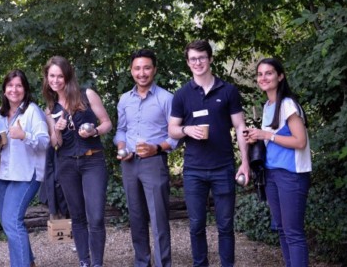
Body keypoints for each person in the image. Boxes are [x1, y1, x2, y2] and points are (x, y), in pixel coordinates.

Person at [168, 40, 250, 267]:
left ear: (210, 59)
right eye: (193, 59)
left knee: (225, 225)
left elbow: (241, 128)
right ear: (187, 63)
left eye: (202, 57)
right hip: (194, 170)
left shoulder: (228, 90)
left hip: (223, 167)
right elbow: (172, 130)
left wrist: (245, 162)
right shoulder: (182, 94)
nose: (198, 62)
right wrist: (186, 129)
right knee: (196, 225)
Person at [42, 56, 112, 267]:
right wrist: (57, 129)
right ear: (47, 78)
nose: (55, 80)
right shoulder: (50, 109)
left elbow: (107, 123)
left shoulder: (87, 95)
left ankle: (97, 263)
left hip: (93, 161)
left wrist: (94, 131)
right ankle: (84, 261)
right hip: (67, 165)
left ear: (67, 76)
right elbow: (55, 143)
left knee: (96, 217)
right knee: (77, 216)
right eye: (51, 76)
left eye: (59, 76)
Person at [114, 49, 178, 267]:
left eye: (147, 67)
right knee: (136, 217)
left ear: (154, 70)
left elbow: (175, 136)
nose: (142, 73)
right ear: (131, 71)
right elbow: (121, 130)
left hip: (154, 163)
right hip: (129, 164)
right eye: (137, 68)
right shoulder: (124, 100)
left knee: (159, 219)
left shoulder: (167, 98)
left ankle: (163, 264)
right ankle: (142, 262)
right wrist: (122, 147)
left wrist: (156, 149)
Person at [244, 58, 311, 267]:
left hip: (291, 175)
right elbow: (273, 139)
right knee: (282, 229)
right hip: (271, 174)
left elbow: (300, 141)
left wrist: (267, 135)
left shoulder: (288, 104)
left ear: (280, 76)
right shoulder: (268, 105)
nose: (263, 78)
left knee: (293, 232)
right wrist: (258, 137)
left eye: (269, 73)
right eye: (260, 74)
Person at [0, 70, 50, 267]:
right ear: (4, 89)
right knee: (11, 223)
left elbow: (45, 142)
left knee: (12, 223)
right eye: (10, 85)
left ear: (25, 89)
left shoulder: (32, 111)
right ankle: (29, 262)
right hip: (4, 174)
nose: (14, 90)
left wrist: (24, 135)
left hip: (26, 174)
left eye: (19, 85)